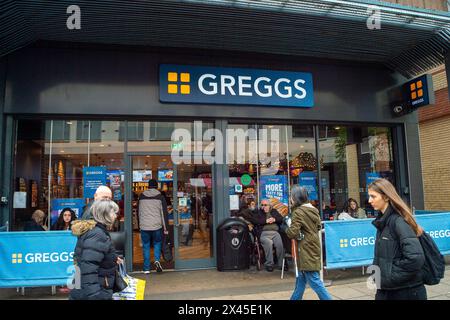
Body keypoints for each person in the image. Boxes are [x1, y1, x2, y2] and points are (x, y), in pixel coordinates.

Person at [368, 178, 426, 300]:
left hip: (405, 291)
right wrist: (377, 276)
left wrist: (388, 276)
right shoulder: (383, 221)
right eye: (369, 196)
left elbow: (415, 258)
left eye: (373, 196)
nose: (369, 200)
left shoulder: (398, 221)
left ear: (386, 197)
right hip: (388, 290)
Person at [69, 199, 122, 300]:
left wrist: (112, 257)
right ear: (105, 214)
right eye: (113, 212)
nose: (115, 216)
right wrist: (95, 295)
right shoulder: (97, 234)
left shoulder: (95, 231)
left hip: (87, 290)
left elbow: (94, 255)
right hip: (94, 292)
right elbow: (89, 268)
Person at [287, 185, 332, 300]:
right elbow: (317, 227)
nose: (290, 199)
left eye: (291, 197)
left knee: (315, 282)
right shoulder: (313, 209)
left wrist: (288, 224)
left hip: (305, 250)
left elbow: (292, 232)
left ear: (295, 198)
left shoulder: (298, 212)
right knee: (300, 282)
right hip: (313, 246)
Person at [138, 179, 169, 274]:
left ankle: (146, 268)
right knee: (157, 243)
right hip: (157, 226)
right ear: (156, 186)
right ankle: (156, 261)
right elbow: (164, 214)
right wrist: (166, 228)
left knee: (146, 246)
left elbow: (139, 212)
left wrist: (140, 224)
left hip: (144, 226)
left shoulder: (142, 196)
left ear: (148, 186)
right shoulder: (160, 196)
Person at [252, 199, 284, 272]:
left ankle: (281, 264)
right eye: (262, 205)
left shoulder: (274, 211)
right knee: (268, 243)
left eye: (265, 205)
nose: (263, 207)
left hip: (275, 233)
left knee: (279, 245)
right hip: (264, 233)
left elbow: (281, 219)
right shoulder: (258, 212)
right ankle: (269, 264)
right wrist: (265, 221)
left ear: (270, 206)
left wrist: (274, 219)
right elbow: (254, 221)